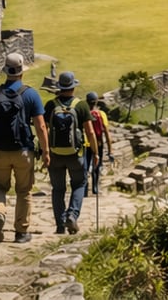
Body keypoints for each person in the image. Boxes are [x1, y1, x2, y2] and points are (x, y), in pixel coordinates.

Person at [0, 52, 48, 243]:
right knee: (24, 191)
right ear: (21, 72)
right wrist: (46, 151)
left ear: (6, 71)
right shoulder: (31, 94)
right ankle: (21, 232)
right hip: (23, 150)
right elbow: (41, 126)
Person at [44, 72, 97, 234]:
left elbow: (44, 129)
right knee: (79, 184)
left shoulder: (51, 105)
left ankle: (60, 224)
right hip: (76, 154)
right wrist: (95, 152)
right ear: (73, 86)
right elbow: (90, 132)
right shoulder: (81, 106)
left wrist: (44, 152)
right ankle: (72, 215)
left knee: (58, 189)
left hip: (55, 154)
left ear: (59, 87)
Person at [84, 91, 114, 196]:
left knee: (85, 166)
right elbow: (106, 132)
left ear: (86, 101)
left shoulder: (84, 113)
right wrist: (110, 150)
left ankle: (84, 188)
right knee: (96, 165)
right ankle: (95, 187)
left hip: (86, 144)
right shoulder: (101, 114)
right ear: (96, 102)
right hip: (99, 144)